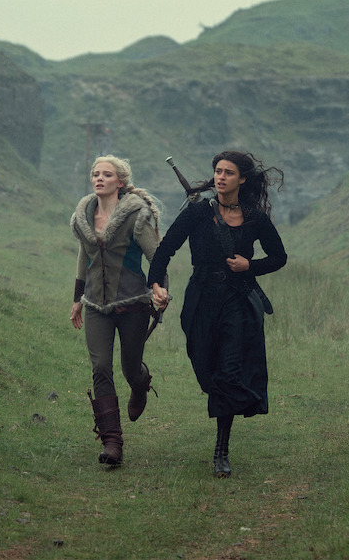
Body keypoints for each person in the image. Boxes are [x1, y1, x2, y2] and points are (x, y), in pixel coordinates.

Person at [148, 150, 287, 478]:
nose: (221, 177)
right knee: (206, 367)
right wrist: (156, 285)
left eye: (229, 172)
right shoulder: (197, 213)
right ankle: (226, 395)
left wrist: (249, 265)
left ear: (242, 179)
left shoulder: (255, 218)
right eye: (218, 171)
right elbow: (165, 250)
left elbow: (279, 257)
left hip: (237, 300)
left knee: (228, 370)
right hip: (201, 299)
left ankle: (221, 451)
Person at [70, 155, 165, 466]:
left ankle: (140, 383)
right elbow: (84, 257)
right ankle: (112, 442)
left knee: (130, 368)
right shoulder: (84, 217)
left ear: (120, 182)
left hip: (133, 303)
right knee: (100, 367)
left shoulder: (136, 217)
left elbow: (156, 257)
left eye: (107, 174)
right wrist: (77, 298)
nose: (99, 178)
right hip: (95, 305)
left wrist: (159, 289)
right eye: (95, 173)